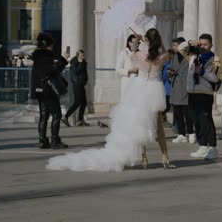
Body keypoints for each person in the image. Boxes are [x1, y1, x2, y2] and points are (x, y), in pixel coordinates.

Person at [47, 28, 176, 171]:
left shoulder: (139, 55)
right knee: (158, 127)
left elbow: (134, 51)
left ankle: (144, 159)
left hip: (140, 90)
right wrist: (158, 42)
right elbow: (165, 52)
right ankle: (165, 157)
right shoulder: (163, 56)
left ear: (146, 41)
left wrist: (138, 41)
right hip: (154, 91)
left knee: (141, 125)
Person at [178, 34, 220, 160]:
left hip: (205, 94)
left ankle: (213, 147)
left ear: (211, 45)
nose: (202, 46)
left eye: (205, 44)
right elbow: (181, 49)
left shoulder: (215, 59)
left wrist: (201, 72)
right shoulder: (193, 54)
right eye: (201, 44)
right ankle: (203, 146)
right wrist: (190, 42)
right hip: (192, 92)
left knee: (206, 121)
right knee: (196, 120)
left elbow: (216, 77)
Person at [30, 33, 69, 149]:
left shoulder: (37, 58)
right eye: (52, 45)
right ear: (48, 45)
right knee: (57, 114)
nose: (52, 47)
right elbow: (52, 71)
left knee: (44, 116)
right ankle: (55, 140)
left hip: (40, 90)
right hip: (48, 90)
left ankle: (42, 140)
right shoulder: (45, 57)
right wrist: (63, 59)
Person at [169, 37, 196, 144]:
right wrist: (170, 73)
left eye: (175, 45)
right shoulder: (174, 56)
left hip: (186, 85)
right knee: (177, 112)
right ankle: (181, 134)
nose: (173, 48)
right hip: (176, 86)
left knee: (188, 112)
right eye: (173, 45)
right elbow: (171, 67)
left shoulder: (189, 55)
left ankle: (191, 133)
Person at [62, 49, 90, 127]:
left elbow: (84, 72)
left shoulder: (83, 62)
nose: (83, 57)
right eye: (81, 55)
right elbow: (76, 71)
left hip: (81, 84)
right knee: (77, 102)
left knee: (84, 103)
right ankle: (65, 117)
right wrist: (80, 63)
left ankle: (80, 120)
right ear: (78, 55)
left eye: (83, 55)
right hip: (77, 84)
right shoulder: (74, 62)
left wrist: (86, 80)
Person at [161, 58, 173, 128]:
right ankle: (163, 120)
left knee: (167, 107)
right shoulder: (168, 65)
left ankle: (163, 120)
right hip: (167, 90)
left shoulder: (167, 65)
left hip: (168, 90)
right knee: (166, 107)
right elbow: (165, 77)